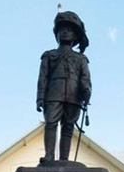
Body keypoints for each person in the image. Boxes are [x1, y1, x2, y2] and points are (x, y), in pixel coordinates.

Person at [36, 11, 91, 163]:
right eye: (62, 30)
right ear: (57, 34)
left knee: (68, 128)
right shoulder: (49, 55)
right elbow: (43, 77)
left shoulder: (81, 59)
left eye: (69, 30)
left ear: (75, 36)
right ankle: (49, 156)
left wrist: (86, 91)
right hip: (53, 95)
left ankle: (64, 159)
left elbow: (85, 78)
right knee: (51, 124)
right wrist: (40, 97)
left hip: (74, 97)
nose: (65, 32)